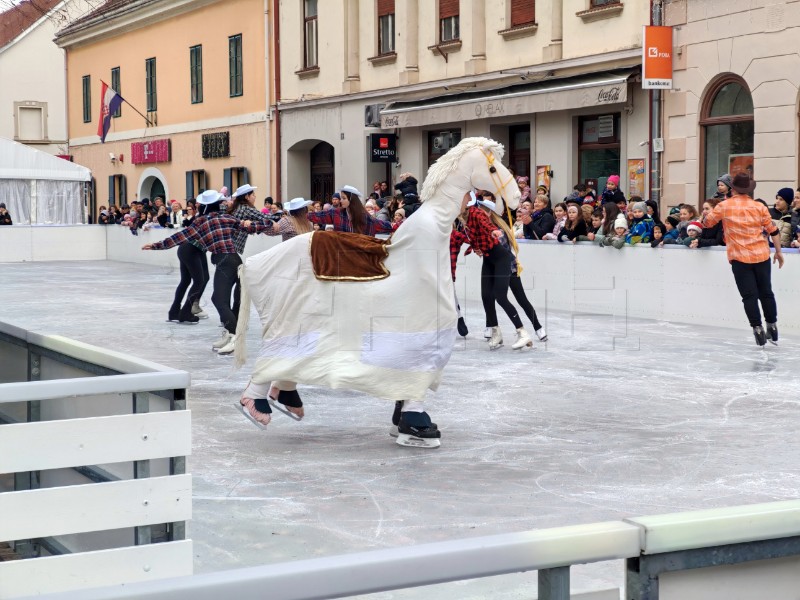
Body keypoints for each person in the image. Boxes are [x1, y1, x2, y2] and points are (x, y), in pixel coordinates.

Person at [141, 189, 259, 355]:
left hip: (226, 262)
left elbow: (180, 237)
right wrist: (270, 224)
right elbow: (250, 226)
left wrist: (156, 245)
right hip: (233, 261)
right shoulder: (227, 217)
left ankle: (234, 337)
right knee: (220, 298)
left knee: (219, 299)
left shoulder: (202, 221)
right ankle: (230, 333)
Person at [701, 173, 784, 346]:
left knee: (749, 296)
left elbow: (707, 223)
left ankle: (758, 328)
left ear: (732, 189)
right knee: (766, 292)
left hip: (739, 258)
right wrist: (778, 252)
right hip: (761, 255)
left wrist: (704, 215)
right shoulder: (759, 207)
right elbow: (773, 230)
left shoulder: (724, 206)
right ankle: (773, 326)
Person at [307, 185, 393, 235]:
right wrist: (305, 215)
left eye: (344, 198)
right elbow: (319, 216)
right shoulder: (336, 213)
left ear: (351, 200)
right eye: (341, 198)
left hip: (359, 255)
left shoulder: (364, 216)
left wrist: (397, 226)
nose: (340, 201)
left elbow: (380, 225)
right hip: (341, 255)